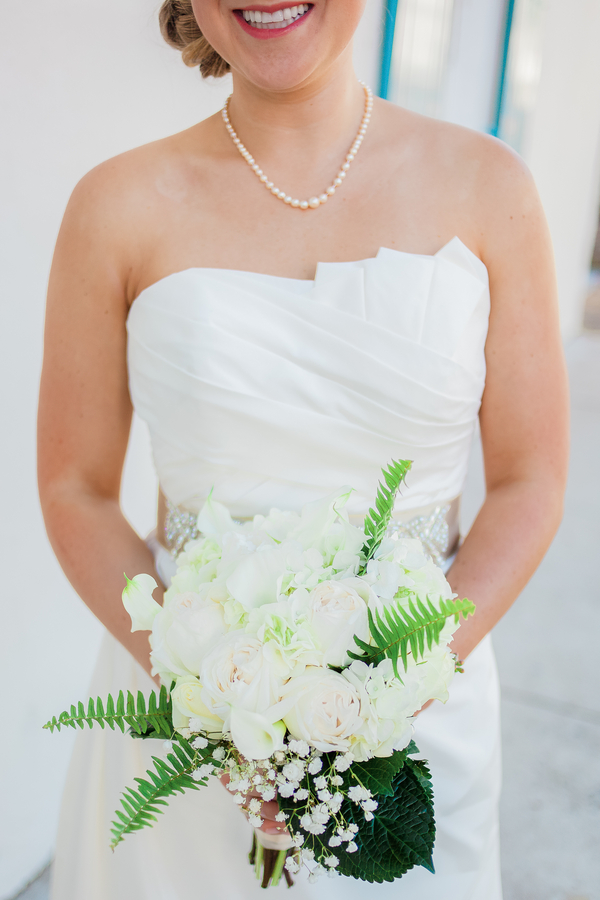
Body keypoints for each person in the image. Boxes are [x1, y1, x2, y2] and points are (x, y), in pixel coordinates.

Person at [37, 1, 569, 897]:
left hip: (418, 731)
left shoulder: (491, 187)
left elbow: (530, 479)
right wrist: (205, 695)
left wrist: (394, 688)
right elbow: (74, 486)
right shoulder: (115, 204)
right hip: (184, 732)